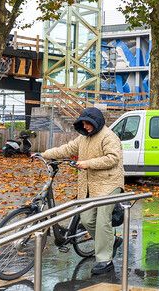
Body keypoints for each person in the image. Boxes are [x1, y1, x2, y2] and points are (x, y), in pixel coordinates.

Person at [40, 107, 124, 275]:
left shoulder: (109, 137)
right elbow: (67, 149)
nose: (85, 127)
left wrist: (88, 163)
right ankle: (111, 241)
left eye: (88, 124)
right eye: (83, 124)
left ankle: (105, 260)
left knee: (102, 220)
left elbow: (113, 158)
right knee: (86, 220)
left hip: (109, 184)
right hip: (89, 185)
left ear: (96, 122)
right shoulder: (82, 138)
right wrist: (45, 154)